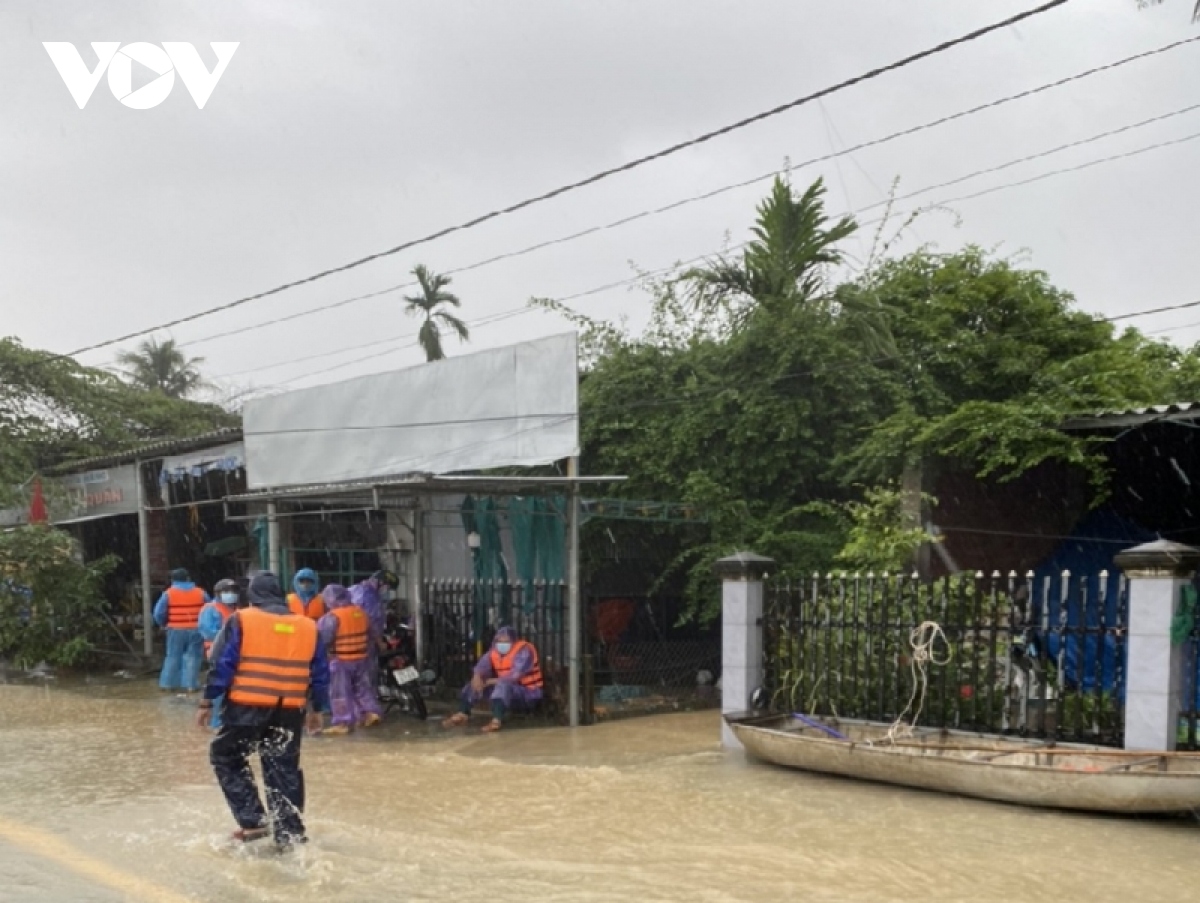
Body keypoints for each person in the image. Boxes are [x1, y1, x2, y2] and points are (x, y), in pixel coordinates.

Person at [198, 571, 331, 849]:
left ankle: (253, 821)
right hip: (289, 710)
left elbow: (222, 664)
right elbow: (320, 673)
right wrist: (317, 708)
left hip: (247, 706)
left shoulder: (242, 620)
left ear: (253, 595)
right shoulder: (308, 626)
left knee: (226, 756)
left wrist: (207, 700)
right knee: (283, 768)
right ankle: (290, 834)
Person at [442, 626, 542, 733]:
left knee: (503, 685)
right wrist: (477, 677)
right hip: (506, 689)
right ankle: (463, 712)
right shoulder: (494, 651)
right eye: (499, 641)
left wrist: (491, 681)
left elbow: (514, 676)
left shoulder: (524, 651)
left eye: (506, 641)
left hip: (527, 694)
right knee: (476, 683)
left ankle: (496, 720)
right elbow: (481, 667)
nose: (502, 644)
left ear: (513, 641)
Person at [316, 584, 383, 735]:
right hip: (361, 658)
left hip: (340, 660)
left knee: (340, 693)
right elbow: (372, 633)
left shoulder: (331, 617)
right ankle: (370, 713)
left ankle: (343, 722)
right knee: (363, 689)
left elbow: (324, 640)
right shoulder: (361, 612)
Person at [153, 568, 209, 693]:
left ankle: (168, 685)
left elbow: (158, 613)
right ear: (188, 578)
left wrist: (163, 623)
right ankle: (190, 685)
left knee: (173, 656)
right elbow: (208, 609)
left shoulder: (168, 593)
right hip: (196, 630)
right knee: (193, 657)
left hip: (175, 629)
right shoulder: (200, 592)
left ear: (172, 580)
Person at [197, 578, 242, 730]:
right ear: (218, 593)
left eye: (234, 591)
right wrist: (230, 638)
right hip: (217, 654)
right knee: (218, 689)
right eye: (227, 591)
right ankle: (215, 724)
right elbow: (207, 631)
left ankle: (226, 723)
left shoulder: (238, 611)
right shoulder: (210, 609)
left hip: (236, 656)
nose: (231, 594)